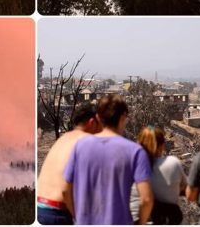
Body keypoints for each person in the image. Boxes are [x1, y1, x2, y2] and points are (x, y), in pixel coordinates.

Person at [63, 94, 154, 224]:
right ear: (123, 117)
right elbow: (146, 199)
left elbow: (65, 191)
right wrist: (141, 223)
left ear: (98, 117)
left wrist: (79, 218)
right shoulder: (135, 152)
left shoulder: (80, 146)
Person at [37, 102, 102, 225]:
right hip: (57, 213)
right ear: (92, 122)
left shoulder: (63, 139)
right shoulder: (87, 141)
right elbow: (66, 191)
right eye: (101, 125)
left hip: (39, 208)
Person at [130, 126, 187, 224]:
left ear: (139, 143)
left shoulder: (130, 167)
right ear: (162, 146)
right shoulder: (172, 163)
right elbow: (185, 189)